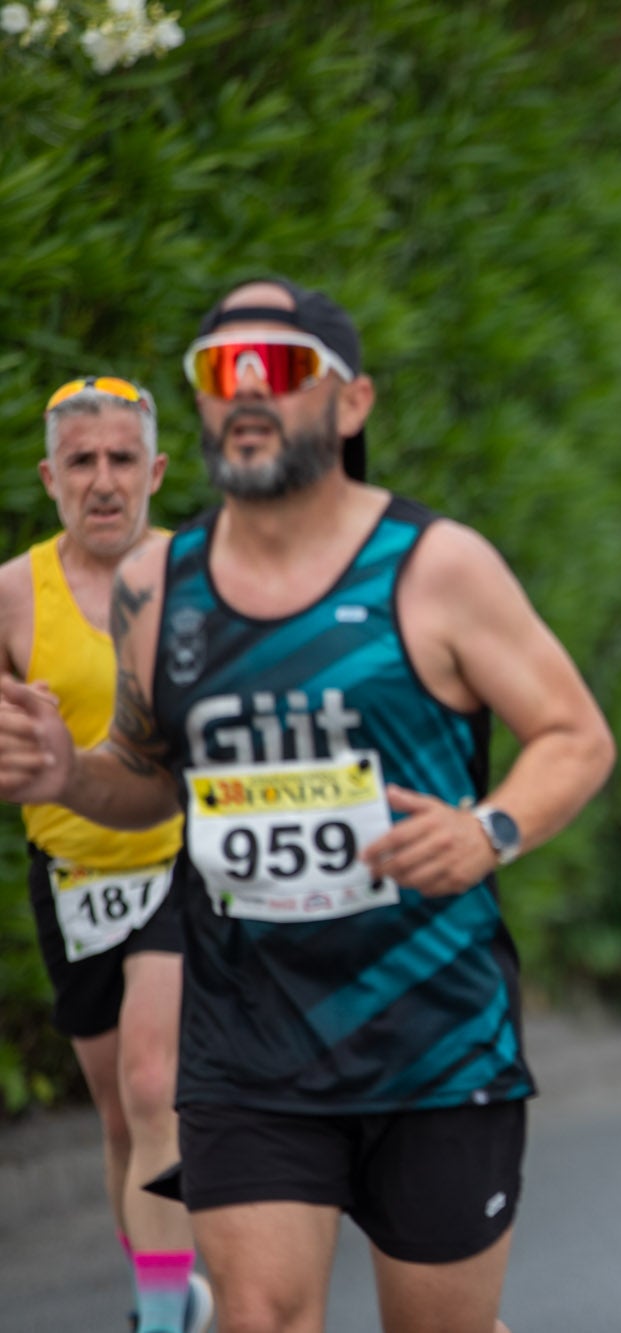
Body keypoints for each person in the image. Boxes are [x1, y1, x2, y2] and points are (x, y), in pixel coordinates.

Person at [0, 279, 617, 1333]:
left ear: (351, 402)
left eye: (277, 370)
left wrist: (488, 829)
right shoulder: (164, 592)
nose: (245, 392)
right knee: (261, 1317)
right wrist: (66, 774)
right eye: (217, 372)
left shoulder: (433, 568)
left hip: (432, 1035)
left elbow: (574, 736)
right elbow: (145, 776)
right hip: (247, 1034)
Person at [1, 375, 212, 1333]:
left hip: (181, 857)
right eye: (81, 461)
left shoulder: (199, 575)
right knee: (120, 1119)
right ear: (48, 478)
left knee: (151, 1082)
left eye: (122, 458)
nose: (102, 479)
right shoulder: (12, 595)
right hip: (70, 877)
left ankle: (161, 1321)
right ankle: (168, 1285)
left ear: (157, 471)